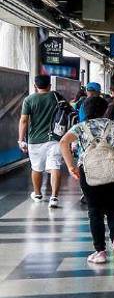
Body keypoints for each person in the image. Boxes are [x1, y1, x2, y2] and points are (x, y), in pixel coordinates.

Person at [57, 97, 114, 264]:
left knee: (94, 211)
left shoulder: (80, 127)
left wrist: (71, 166)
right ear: (105, 109)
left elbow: (63, 142)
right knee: (113, 209)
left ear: (86, 110)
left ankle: (100, 252)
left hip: (89, 172)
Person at [19, 75, 64, 208]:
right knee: (55, 166)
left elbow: (24, 120)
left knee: (36, 168)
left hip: (35, 140)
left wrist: (21, 139)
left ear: (35, 86)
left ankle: (38, 194)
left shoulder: (29, 100)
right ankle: (54, 197)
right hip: (54, 138)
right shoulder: (56, 97)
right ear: (50, 85)